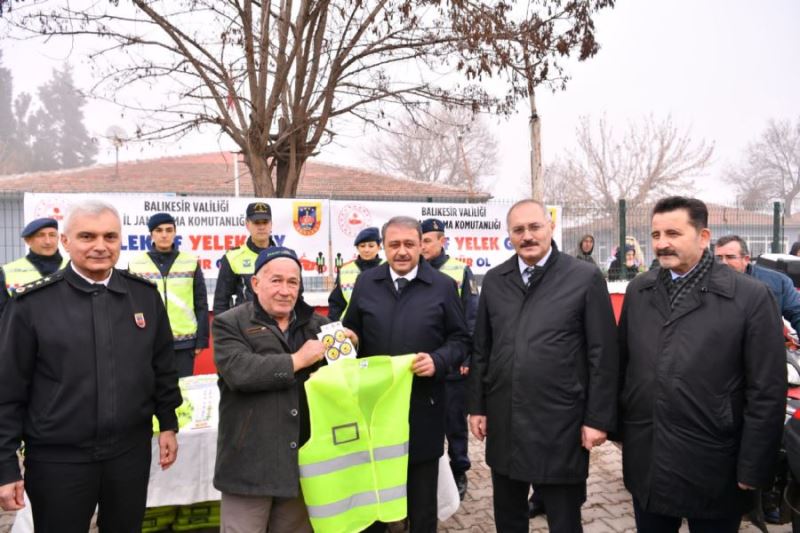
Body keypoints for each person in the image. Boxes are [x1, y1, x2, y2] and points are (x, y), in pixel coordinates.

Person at [0, 200, 181, 532]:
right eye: (87, 236)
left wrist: (168, 422)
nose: (100, 246)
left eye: (110, 237)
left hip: (128, 455)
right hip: (58, 461)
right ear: (65, 242)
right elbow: (7, 390)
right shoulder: (31, 306)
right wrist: (5, 466)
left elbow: (162, 367)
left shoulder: (143, 297)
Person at [617, 196, 786, 532]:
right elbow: (623, 366)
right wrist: (624, 430)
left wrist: (752, 467)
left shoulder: (750, 297)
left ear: (704, 237)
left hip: (714, 463)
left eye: (673, 233)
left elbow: (766, 390)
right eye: (655, 235)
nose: (661, 244)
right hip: (648, 459)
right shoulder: (639, 292)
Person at [469, 199, 619, 533]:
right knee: (508, 516)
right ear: (509, 235)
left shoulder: (583, 277)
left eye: (534, 227)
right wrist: (477, 406)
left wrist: (597, 419)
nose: (527, 236)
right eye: (518, 230)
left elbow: (603, 354)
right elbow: (482, 348)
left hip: (561, 424)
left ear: (550, 227)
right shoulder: (495, 279)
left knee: (563, 520)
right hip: (505, 420)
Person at [343, 216, 470, 533]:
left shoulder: (441, 286)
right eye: (394, 244)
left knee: (421, 504)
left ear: (422, 244)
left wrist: (439, 360)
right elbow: (353, 330)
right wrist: (353, 340)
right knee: (374, 501)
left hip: (422, 408)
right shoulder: (366, 283)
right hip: (375, 412)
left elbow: (461, 339)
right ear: (384, 246)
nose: (402, 251)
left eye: (409, 244)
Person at [213, 247, 339, 531]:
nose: (285, 290)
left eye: (292, 282)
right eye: (276, 280)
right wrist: (297, 360)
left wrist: (350, 343)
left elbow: (343, 379)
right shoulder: (229, 323)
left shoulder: (319, 326)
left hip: (300, 464)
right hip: (248, 464)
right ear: (255, 283)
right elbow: (240, 372)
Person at [420, 217, 478, 500]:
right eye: (421, 241)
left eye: (428, 240)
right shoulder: (413, 271)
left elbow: (471, 317)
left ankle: (459, 470)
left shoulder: (459, 270)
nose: (423, 246)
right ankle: (429, 474)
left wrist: (466, 357)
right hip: (423, 360)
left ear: (442, 241)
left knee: (455, 420)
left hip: (453, 360)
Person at [128, 212, 209, 377]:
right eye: (158, 230)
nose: (164, 234)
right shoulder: (136, 264)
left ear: (174, 232)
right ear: (151, 234)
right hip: (149, 341)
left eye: (168, 230)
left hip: (184, 342)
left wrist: (201, 339)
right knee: (151, 392)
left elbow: (201, 302)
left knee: (183, 392)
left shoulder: (190, 262)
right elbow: (129, 305)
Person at [213, 201, 277, 315]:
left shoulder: (284, 257)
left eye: (265, 222)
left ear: (271, 224)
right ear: (247, 224)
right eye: (256, 222)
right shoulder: (232, 257)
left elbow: (297, 297)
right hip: (245, 327)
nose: (261, 226)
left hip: (278, 326)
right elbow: (221, 302)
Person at [0, 217, 67, 317]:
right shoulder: (7, 271)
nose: (48, 241)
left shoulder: (75, 267)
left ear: (59, 238)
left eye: (52, 235)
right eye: (41, 235)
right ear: (28, 240)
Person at [327, 226, 383, 321]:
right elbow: (336, 303)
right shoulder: (345, 271)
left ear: (379, 247)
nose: (366, 250)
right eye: (362, 246)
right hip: (351, 326)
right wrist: (334, 325)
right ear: (357, 248)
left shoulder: (388, 268)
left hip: (381, 324)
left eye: (371, 246)